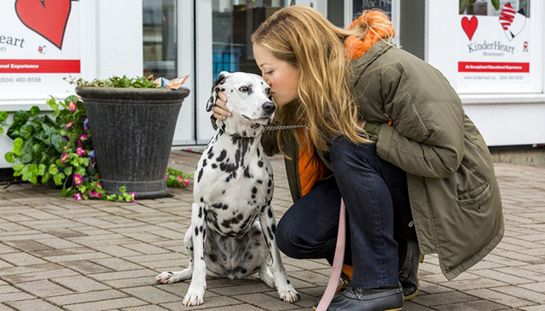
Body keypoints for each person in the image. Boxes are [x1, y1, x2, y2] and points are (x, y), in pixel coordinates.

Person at [212, 6, 504, 311]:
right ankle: (395, 263)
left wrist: (369, 130)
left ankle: (378, 283)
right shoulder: (308, 90)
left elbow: (445, 158)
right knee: (296, 235)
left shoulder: (391, 70)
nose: (265, 82)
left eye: (269, 71)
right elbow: (270, 140)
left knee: (347, 141)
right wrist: (229, 113)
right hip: (389, 184)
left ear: (304, 59)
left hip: (453, 196)